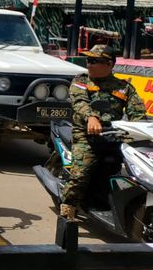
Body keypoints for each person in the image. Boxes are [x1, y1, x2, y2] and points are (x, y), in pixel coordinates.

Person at [60, 45, 145, 221]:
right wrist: (91, 118)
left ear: (109, 64)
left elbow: (137, 115)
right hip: (86, 133)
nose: (88, 64)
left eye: (94, 61)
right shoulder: (81, 80)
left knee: (137, 171)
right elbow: (79, 102)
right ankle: (68, 208)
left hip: (114, 135)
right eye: (88, 60)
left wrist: (141, 131)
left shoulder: (124, 87)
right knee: (81, 173)